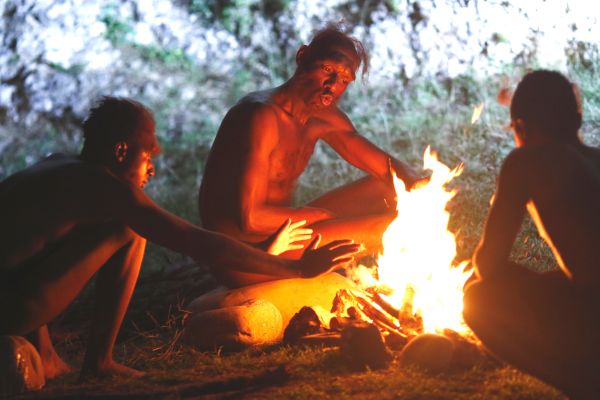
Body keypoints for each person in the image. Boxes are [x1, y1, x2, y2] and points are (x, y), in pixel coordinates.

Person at [0, 97, 360, 380]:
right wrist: (295, 267)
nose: (152, 168)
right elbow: (197, 241)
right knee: (129, 229)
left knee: (112, 230)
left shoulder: (58, 166)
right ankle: (99, 361)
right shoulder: (105, 188)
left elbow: (30, 254)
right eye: (148, 153)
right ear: (121, 151)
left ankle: (48, 356)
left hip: (13, 289)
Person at [199, 24, 424, 269]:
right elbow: (249, 219)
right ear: (302, 56)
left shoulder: (324, 117)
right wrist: (318, 216)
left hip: (288, 231)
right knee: (387, 226)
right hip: (247, 255)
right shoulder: (261, 116)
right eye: (328, 69)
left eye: (345, 79)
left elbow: (387, 172)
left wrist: (417, 180)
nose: (333, 84)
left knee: (390, 188)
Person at [463, 70, 600, 399]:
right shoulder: (595, 158)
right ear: (576, 118)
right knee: (553, 281)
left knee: (476, 296)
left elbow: (490, 266)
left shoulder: (526, 161)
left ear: (520, 126)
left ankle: (585, 386)